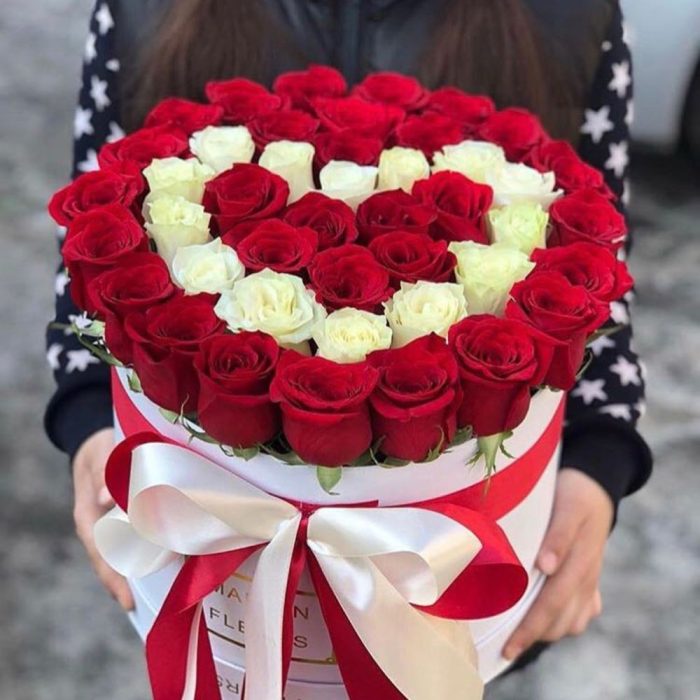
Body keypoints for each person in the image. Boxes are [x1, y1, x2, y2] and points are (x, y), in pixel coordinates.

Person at [45, 0, 652, 674]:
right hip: (209, 593)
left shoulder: (572, 17)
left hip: (460, 589)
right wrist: (90, 425)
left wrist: (597, 469)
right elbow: (93, 258)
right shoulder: (141, 12)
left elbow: (597, 279)